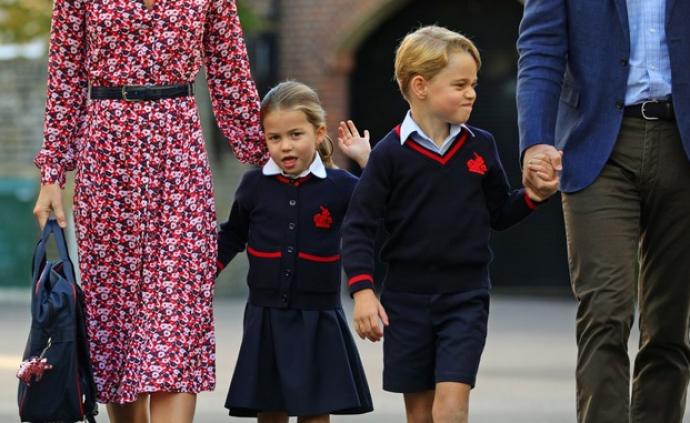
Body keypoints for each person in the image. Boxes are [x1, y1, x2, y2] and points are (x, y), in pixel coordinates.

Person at [31, 0, 266, 421]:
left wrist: (274, 157)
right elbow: (64, 76)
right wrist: (52, 172)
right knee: (116, 329)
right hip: (106, 158)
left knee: (178, 318)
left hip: (178, 159)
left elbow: (230, 70)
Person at [342, 25, 559, 423]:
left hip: (466, 297)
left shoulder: (482, 146)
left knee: (452, 408)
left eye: (473, 83)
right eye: (460, 84)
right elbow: (358, 226)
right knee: (421, 414)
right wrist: (362, 293)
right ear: (421, 86)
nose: (472, 92)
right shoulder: (388, 156)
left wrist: (533, 196)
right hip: (405, 301)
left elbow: (499, 213)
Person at [517, 1, 690, 422]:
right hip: (597, 145)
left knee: (670, 325)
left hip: (682, 144)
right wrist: (536, 139)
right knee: (605, 311)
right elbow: (540, 48)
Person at [216, 81, 374, 422]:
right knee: (271, 409)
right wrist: (198, 278)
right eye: (275, 138)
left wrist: (367, 162)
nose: (285, 146)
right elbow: (232, 235)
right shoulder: (254, 185)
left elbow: (381, 217)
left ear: (318, 133)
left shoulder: (342, 186)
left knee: (315, 413)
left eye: (296, 135)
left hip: (319, 316)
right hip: (266, 316)